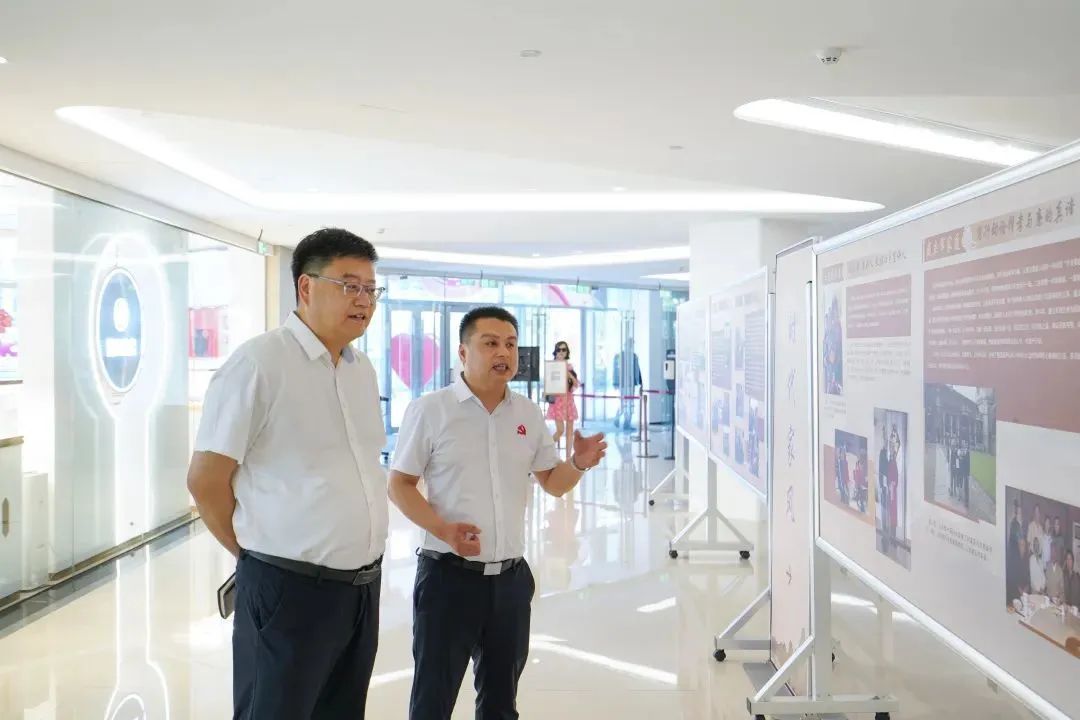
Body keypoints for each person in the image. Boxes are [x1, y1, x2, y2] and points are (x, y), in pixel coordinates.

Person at [187, 228, 388, 720]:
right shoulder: (259, 364)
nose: (363, 300)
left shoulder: (361, 370)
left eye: (370, 289)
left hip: (362, 590)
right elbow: (206, 480)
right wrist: (255, 557)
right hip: (288, 589)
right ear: (306, 286)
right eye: (350, 285)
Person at [388, 306, 607, 720]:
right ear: (463, 352)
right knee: (432, 702)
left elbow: (552, 482)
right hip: (447, 580)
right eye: (490, 343)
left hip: (510, 583)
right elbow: (399, 485)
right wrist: (443, 529)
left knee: (501, 705)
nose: (503, 352)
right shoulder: (431, 410)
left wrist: (578, 463)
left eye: (510, 344)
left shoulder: (527, 413)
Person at [546, 341, 581, 451]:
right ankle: (545, 449)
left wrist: (568, 373)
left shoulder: (569, 367)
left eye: (564, 350)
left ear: (567, 352)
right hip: (557, 401)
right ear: (555, 352)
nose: (561, 352)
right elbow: (549, 385)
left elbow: (576, 384)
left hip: (569, 401)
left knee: (570, 431)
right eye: (559, 350)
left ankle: (568, 457)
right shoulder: (552, 367)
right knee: (560, 430)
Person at [611, 347, 642, 431]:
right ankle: (620, 420)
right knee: (625, 403)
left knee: (628, 403)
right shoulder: (620, 356)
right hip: (625, 384)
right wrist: (615, 382)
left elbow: (637, 369)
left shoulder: (633, 356)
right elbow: (616, 369)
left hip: (630, 384)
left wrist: (640, 381)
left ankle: (625, 422)